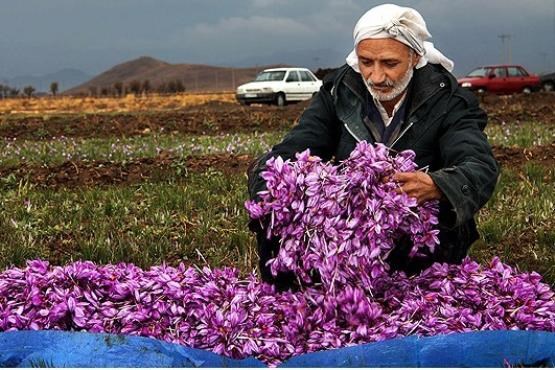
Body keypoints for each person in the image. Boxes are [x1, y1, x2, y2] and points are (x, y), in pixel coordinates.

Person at [247, 3, 499, 289]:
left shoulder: (448, 101)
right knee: (276, 186)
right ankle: (308, 287)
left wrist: (437, 185)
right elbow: (298, 145)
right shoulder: (339, 91)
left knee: (412, 279)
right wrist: (271, 187)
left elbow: (479, 166)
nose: (377, 77)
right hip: (350, 228)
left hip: (418, 232)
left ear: (415, 57)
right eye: (366, 62)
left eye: (390, 63)